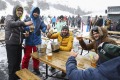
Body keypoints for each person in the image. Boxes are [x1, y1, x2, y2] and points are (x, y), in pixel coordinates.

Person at [5, 5, 33, 80]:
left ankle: (16, 77)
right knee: (12, 64)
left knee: (18, 63)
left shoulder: (20, 21)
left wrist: (25, 35)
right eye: (18, 10)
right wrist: (24, 23)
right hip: (11, 45)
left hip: (19, 45)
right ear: (15, 11)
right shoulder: (9, 17)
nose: (20, 12)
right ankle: (11, 78)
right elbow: (11, 24)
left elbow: (20, 34)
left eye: (21, 11)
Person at [21, 7, 50, 75]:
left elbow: (43, 27)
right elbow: (22, 27)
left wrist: (45, 29)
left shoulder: (40, 20)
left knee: (36, 56)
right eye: (35, 12)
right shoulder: (27, 19)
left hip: (37, 42)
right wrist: (28, 28)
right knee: (26, 56)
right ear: (32, 12)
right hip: (28, 41)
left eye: (37, 12)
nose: (36, 14)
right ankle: (24, 69)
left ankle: (36, 68)